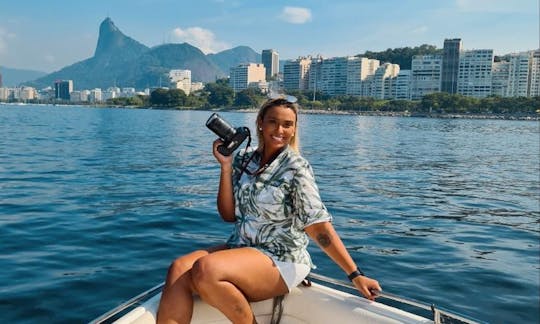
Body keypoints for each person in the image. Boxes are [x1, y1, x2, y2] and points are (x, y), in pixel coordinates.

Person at [157, 97, 381, 324]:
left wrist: (355, 275)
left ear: (294, 130)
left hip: (282, 257)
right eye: (273, 122)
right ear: (260, 123)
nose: (280, 130)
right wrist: (225, 167)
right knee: (178, 269)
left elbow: (319, 227)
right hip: (242, 248)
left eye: (287, 124)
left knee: (207, 269)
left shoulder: (296, 168)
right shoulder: (245, 159)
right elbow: (228, 215)